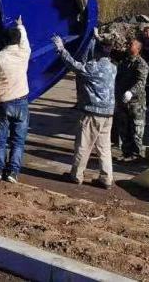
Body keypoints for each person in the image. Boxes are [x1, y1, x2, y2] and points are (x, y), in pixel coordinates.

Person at [52, 31, 117, 189]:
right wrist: (95, 38)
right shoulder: (113, 67)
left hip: (92, 113)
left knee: (83, 145)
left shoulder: (92, 67)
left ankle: (76, 175)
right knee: (104, 148)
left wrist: (61, 49)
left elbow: (74, 65)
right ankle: (106, 178)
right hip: (108, 113)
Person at [0, 17, 31, 182]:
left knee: (0, 139)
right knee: (18, 141)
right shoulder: (24, 53)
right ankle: (12, 173)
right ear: (17, 41)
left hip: (2, 102)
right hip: (21, 101)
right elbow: (24, 40)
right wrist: (21, 25)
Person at [113, 39, 149, 161]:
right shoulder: (124, 62)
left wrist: (130, 92)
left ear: (138, 48)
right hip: (123, 101)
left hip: (136, 103)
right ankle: (127, 153)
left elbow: (141, 82)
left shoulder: (141, 64)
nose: (128, 46)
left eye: (131, 44)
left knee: (136, 130)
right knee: (123, 128)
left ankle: (136, 155)